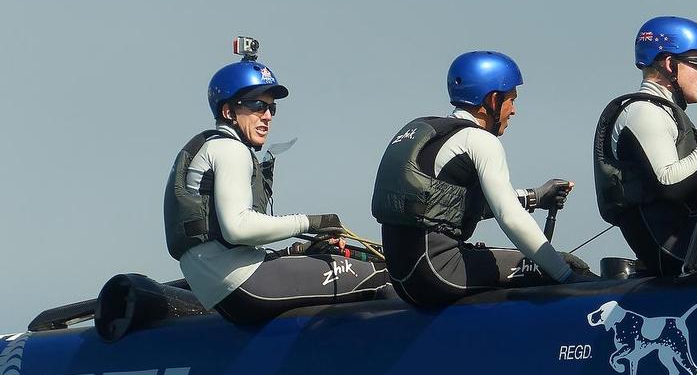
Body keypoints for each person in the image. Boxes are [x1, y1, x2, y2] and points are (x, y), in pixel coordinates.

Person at [164, 39, 393, 324]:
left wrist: (294, 252)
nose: (268, 116)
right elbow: (238, 229)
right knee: (382, 275)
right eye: (257, 105)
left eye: (272, 108)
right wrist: (310, 222)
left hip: (224, 289)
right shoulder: (230, 149)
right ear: (228, 112)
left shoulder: (207, 147)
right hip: (246, 284)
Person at [372, 50, 593, 306]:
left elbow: (452, 206)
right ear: (493, 99)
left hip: (405, 280)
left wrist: (536, 197)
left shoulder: (433, 134)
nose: (514, 111)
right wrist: (566, 276)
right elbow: (509, 216)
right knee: (562, 264)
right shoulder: (480, 140)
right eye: (512, 100)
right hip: (440, 273)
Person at [593, 16, 697, 276]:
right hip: (676, 250)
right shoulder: (644, 112)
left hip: (687, 240)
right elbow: (669, 182)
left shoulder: (665, 113)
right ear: (670, 64)